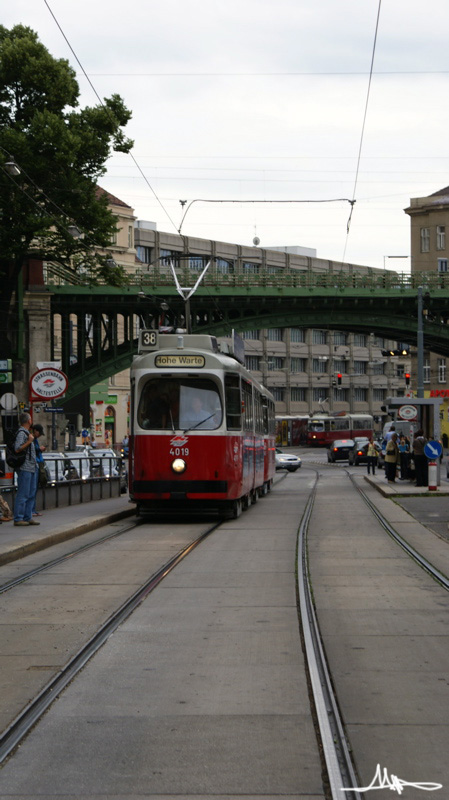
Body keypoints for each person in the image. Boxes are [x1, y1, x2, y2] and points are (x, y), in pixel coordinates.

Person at [13, 412, 40, 526]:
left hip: (32, 467)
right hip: (25, 467)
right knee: (23, 493)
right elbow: (17, 448)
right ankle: (18, 518)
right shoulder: (21, 433)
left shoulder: (27, 432)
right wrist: (29, 441)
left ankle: (28, 516)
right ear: (29, 421)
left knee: (31, 493)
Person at [31, 424, 46, 517]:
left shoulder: (34, 439)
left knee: (35, 489)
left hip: (38, 464)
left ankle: (33, 510)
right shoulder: (31, 439)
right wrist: (39, 449)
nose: (40, 435)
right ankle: (31, 510)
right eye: (39, 433)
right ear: (35, 431)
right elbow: (33, 451)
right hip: (35, 465)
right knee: (33, 489)